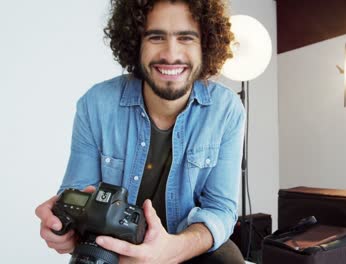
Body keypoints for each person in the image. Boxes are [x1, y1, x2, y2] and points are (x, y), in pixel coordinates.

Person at [35, 0, 246, 263]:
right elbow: (78, 192)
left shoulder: (226, 110)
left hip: (186, 242)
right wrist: (62, 228)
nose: (171, 54)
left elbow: (220, 210)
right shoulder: (96, 104)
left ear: (206, 46)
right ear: (136, 43)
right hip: (112, 247)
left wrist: (171, 250)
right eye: (156, 37)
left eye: (186, 38)